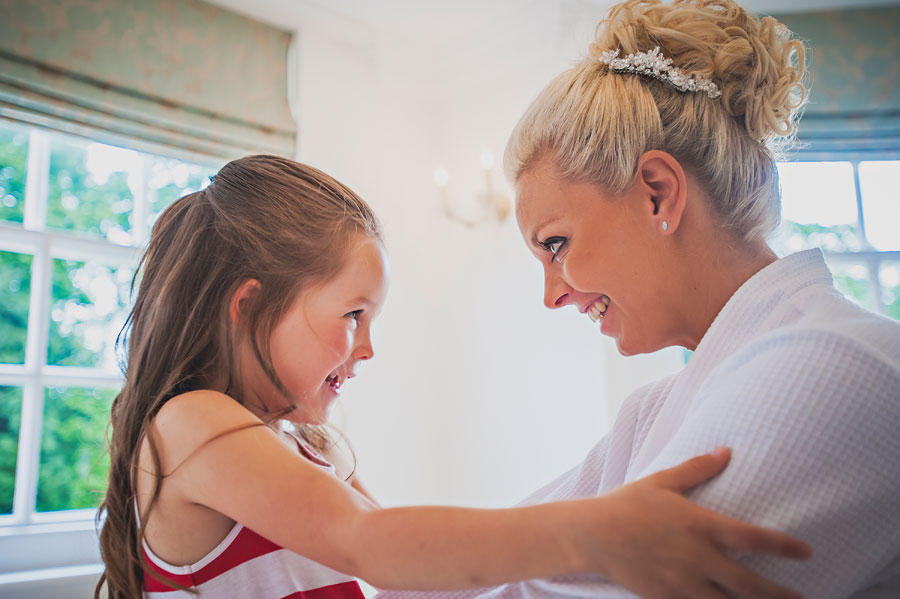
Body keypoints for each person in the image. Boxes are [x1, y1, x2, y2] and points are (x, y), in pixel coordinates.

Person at [94, 155, 812, 599]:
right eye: (352, 314)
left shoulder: (300, 443)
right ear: (247, 305)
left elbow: (398, 564)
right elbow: (366, 542)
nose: (367, 348)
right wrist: (592, 532)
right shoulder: (188, 422)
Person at [376, 1, 900, 599]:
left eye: (555, 244)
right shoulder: (654, 411)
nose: (552, 296)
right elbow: (463, 572)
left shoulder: (832, 368)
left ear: (657, 194)